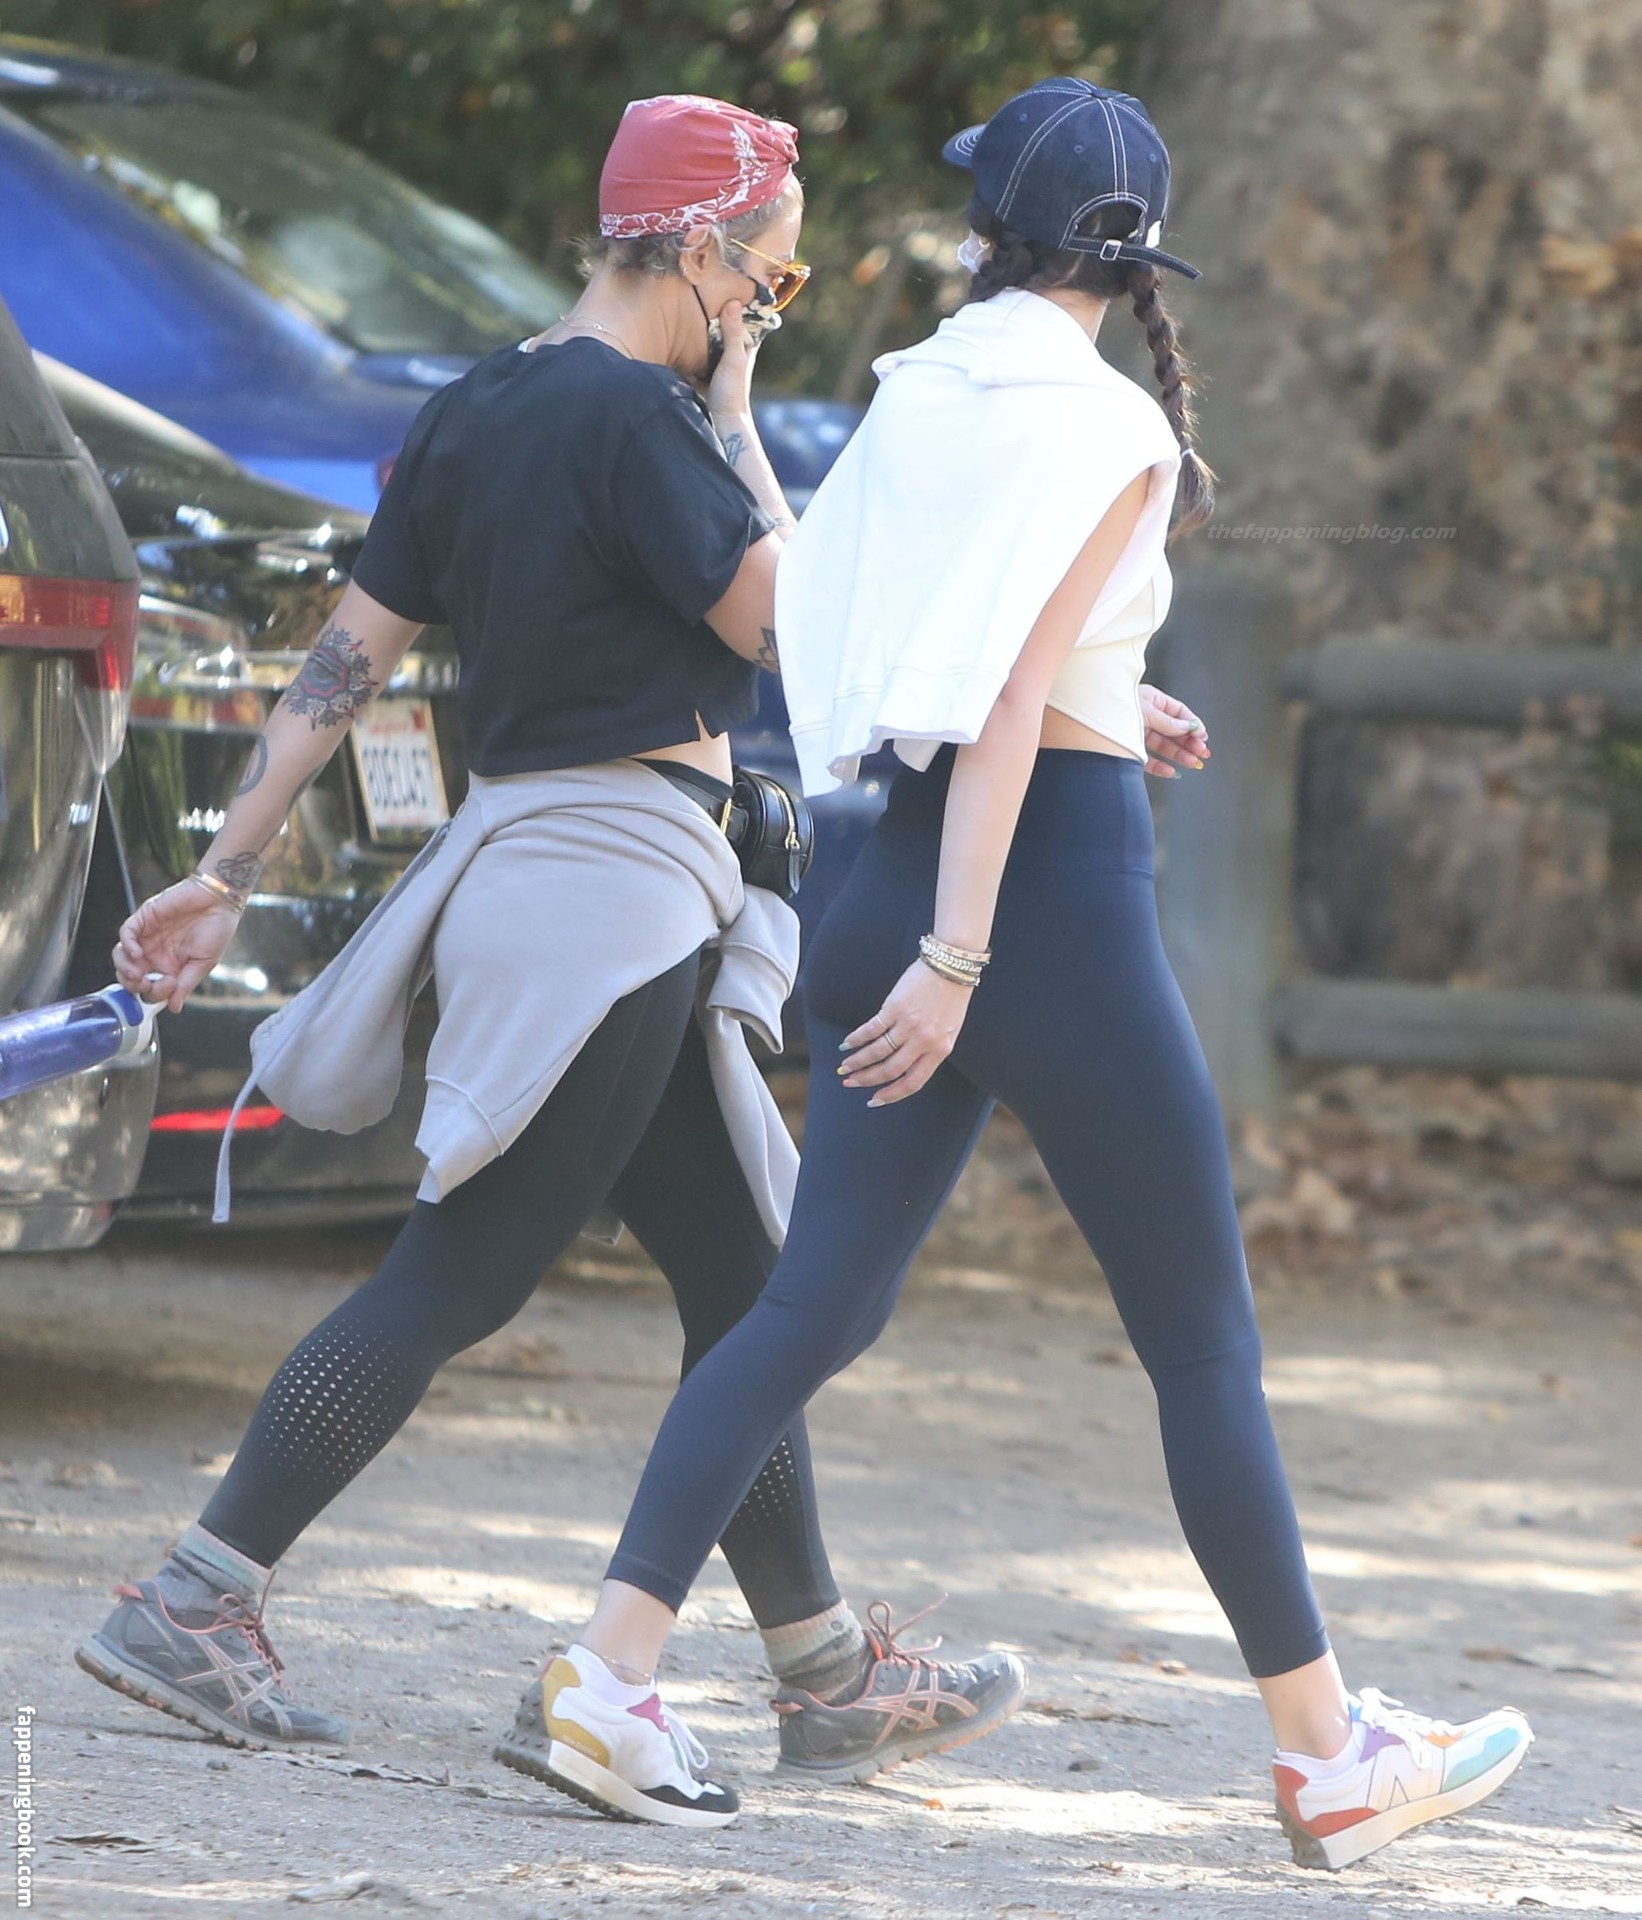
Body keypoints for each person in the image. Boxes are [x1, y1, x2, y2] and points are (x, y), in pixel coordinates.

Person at [528, 80, 1536, 1869]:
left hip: (889, 882)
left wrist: (1103, 704)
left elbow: (866, 627)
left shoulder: (918, 385)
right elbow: (1000, 692)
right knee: (1200, 1343)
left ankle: (608, 1673)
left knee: (804, 1313)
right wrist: (962, 954)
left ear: (987, 226)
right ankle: (1325, 1755)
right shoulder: (1109, 424)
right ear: (1138, 257)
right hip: (1032, 919)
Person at [73, 94, 1052, 1825]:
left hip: (557, 873)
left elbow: (342, 662)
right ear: (699, 250)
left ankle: (824, 1671)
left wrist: (227, 866)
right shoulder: (643, 421)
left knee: (744, 1289)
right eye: (771, 277)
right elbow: (795, 630)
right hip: (610, 886)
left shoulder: (477, 408)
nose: (767, 308)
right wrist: (735, 420)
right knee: (462, 1270)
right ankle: (196, 1597)